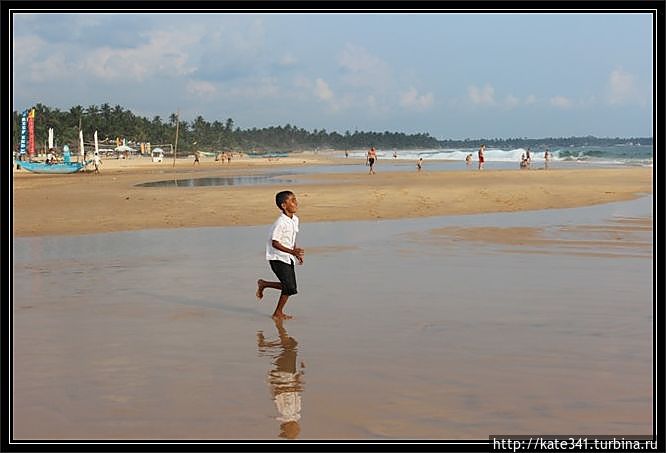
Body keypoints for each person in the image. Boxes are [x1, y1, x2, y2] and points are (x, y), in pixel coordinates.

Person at [257, 191, 304, 320]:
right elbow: (275, 243)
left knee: (291, 288)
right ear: (284, 205)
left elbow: (291, 238)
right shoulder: (280, 222)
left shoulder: (295, 219)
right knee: (290, 287)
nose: (296, 203)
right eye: (292, 201)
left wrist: (296, 252)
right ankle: (277, 312)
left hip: (287, 257)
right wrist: (292, 252)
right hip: (276, 257)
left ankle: (264, 284)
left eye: (295, 200)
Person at [257, 318, 304, 439]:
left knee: (290, 347)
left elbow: (282, 394)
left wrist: (299, 375)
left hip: (285, 375)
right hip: (287, 375)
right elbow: (282, 394)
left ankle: (266, 344)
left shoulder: (288, 413)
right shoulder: (292, 414)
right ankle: (266, 344)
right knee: (289, 348)